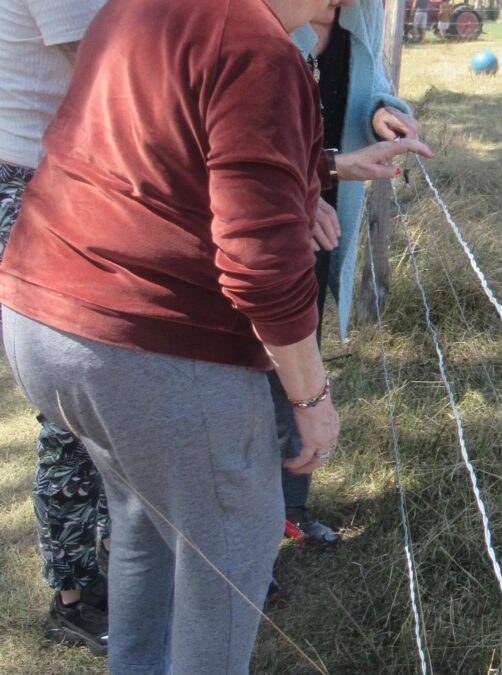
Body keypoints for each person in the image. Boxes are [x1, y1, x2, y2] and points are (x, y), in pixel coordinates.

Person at [0, 0, 432, 672]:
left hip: (44, 314)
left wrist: (316, 174)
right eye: (333, 9)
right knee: (233, 550)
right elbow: (262, 269)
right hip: (143, 345)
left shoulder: (148, 8)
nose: (330, 24)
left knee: (149, 527)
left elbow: (178, 145)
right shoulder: (257, 48)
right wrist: (312, 401)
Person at [277, 1, 423, 555]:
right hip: (270, 214)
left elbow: (373, 87)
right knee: (260, 376)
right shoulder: (266, 25)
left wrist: (384, 110)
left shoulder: (354, 27)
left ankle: (292, 507)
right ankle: (249, 525)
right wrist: (298, 191)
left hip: (324, 219)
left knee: (303, 360)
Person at [0, 0, 110, 656]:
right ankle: (71, 598)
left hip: (69, 177)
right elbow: (107, 76)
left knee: (96, 398)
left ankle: (98, 569)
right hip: (32, 183)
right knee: (70, 402)